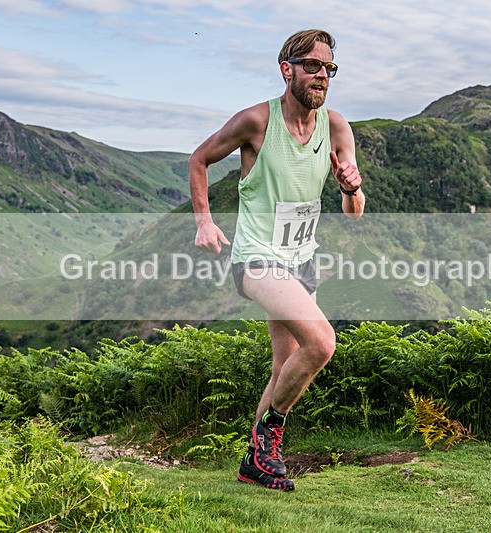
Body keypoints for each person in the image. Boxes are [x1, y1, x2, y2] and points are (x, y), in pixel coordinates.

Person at [188, 29, 365, 491]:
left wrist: (351, 187)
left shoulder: (338, 128)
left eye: (329, 69)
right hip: (257, 258)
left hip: (302, 260)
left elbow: (354, 213)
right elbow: (199, 159)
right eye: (312, 66)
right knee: (323, 343)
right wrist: (204, 221)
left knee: (284, 366)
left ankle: (255, 464)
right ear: (287, 69)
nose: (322, 75)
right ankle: (271, 437)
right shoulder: (255, 122)